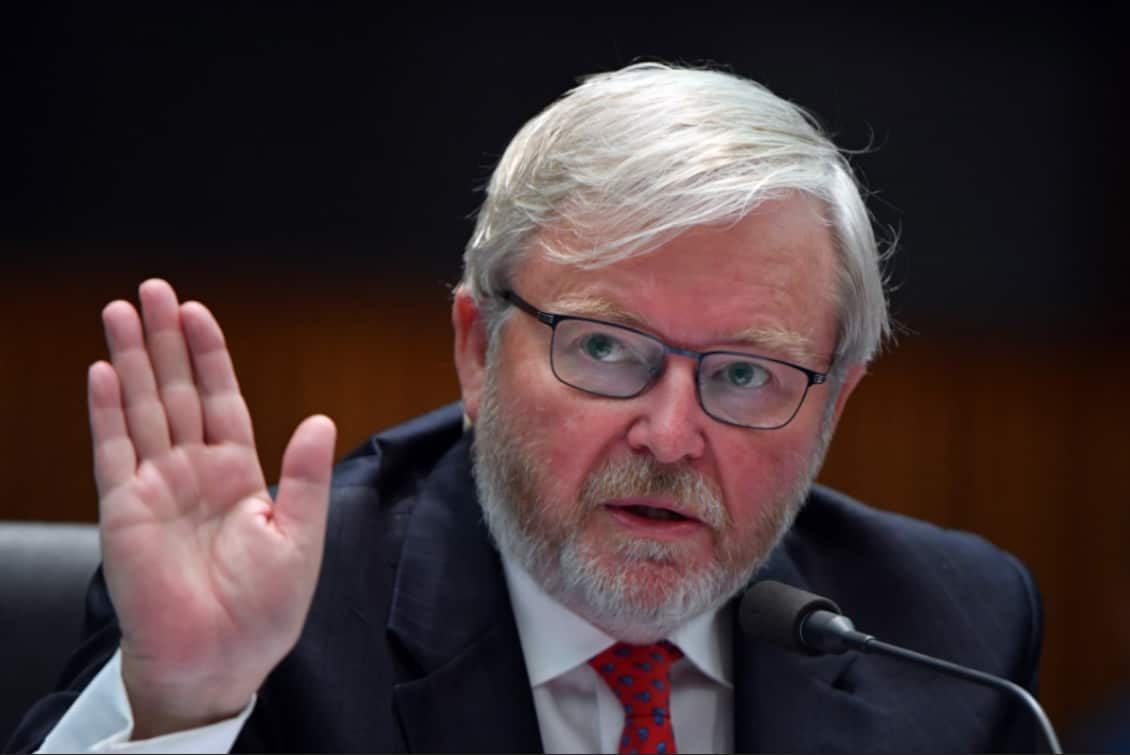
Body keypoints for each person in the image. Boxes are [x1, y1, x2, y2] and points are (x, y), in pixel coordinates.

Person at [8, 62, 1044, 753]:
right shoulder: (286, 618)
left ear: (833, 400)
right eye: (603, 347)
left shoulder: (948, 635)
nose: (672, 434)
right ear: (474, 347)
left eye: (743, 374)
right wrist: (183, 708)